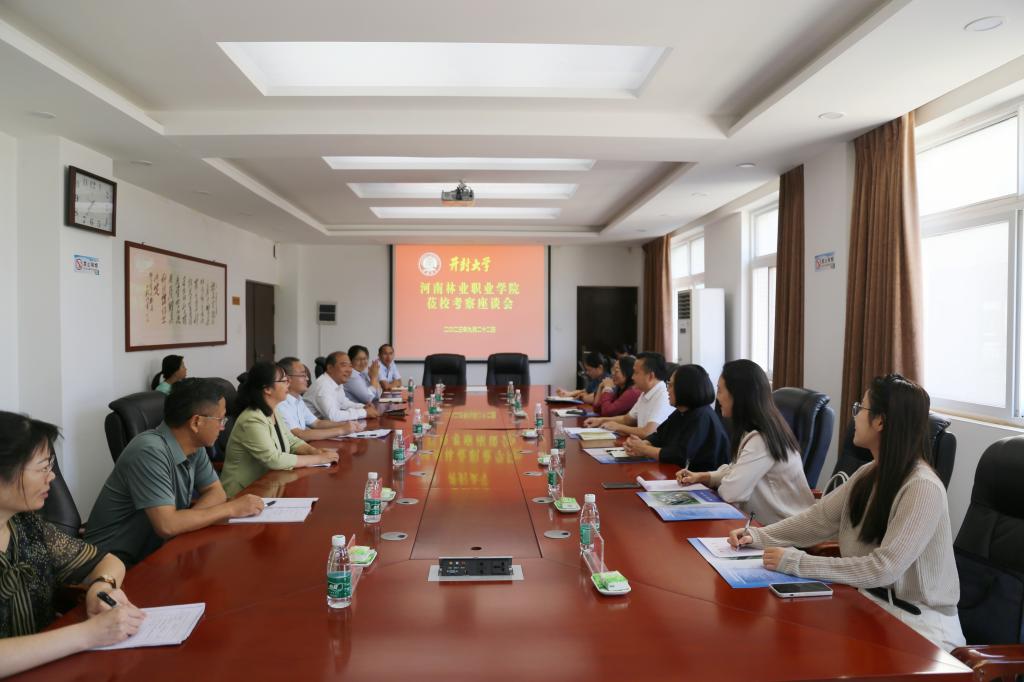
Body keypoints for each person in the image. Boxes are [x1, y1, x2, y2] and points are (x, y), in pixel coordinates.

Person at [727, 374, 966, 652]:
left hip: (920, 625)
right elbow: (818, 519)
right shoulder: (869, 473)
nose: (854, 417)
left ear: (880, 421)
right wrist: (757, 537)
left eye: (860, 408)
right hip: (870, 604)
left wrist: (797, 562)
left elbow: (883, 568)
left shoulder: (923, 487)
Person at [0, 412, 148, 676]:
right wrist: (88, 634)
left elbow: (108, 561)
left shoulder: (26, 526)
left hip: (51, 668)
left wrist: (101, 587)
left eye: (50, 466)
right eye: (42, 467)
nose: (51, 477)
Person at [86, 379, 266, 565]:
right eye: (220, 420)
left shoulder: (195, 446)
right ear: (196, 422)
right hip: (112, 565)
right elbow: (167, 525)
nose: (223, 427)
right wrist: (232, 508)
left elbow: (216, 492)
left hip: (160, 553)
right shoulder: (149, 451)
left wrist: (187, 522)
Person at [677, 359, 812, 524]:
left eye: (720, 391)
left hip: (783, 529)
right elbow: (736, 469)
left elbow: (731, 493)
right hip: (764, 525)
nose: (717, 398)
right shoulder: (755, 429)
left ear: (738, 395)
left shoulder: (762, 439)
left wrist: (721, 479)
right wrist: (703, 477)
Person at [220, 362, 340, 497]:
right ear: (267, 389)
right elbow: (273, 459)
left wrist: (314, 451)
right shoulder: (251, 419)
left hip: (269, 485)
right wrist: (318, 459)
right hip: (242, 493)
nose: (288, 383)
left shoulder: (274, 411)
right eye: (284, 380)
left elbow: (292, 441)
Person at [584, 352, 674, 437]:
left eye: (636, 372)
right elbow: (627, 419)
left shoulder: (664, 396)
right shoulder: (645, 392)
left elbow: (648, 432)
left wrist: (619, 427)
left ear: (650, 376)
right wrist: (600, 420)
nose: (632, 377)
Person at [276, 357, 358, 440]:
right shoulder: (281, 403)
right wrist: (341, 430)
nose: (307, 378)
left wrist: (345, 425)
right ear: (288, 379)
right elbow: (299, 434)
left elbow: (316, 423)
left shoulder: (298, 399)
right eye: (303, 375)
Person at [305, 351, 379, 422]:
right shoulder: (323, 386)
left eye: (350, 366)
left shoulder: (337, 382)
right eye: (344, 365)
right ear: (330, 368)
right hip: (308, 428)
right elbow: (333, 416)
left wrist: (362, 407)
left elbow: (343, 403)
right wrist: (364, 412)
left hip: (324, 426)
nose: (349, 370)